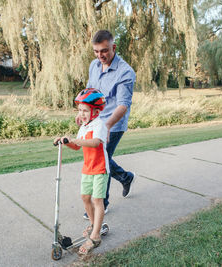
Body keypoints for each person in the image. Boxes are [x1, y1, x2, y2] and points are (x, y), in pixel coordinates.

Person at [79, 30, 136, 219]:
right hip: (95, 121)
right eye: (96, 51)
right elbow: (89, 92)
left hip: (114, 123)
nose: (100, 55)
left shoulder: (125, 72)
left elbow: (123, 105)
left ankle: (102, 204)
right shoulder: (94, 66)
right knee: (101, 159)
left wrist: (108, 126)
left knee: (100, 162)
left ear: (113, 47)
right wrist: (83, 113)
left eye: (103, 51)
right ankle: (125, 177)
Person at [54, 88, 109, 255]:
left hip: (100, 168)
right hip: (88, 168)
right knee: (85, 198)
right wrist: (65, 142)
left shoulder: (99, 124)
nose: (81, 114)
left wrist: (75, 139)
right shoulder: (84, 127)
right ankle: (94, 225)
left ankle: (96, 236)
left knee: (97, 200)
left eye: (85, 110)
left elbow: (94, 143)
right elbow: (77, 146)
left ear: (96, 111)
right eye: (80, 110)